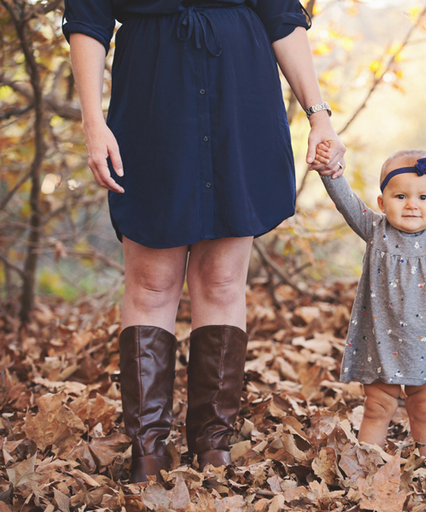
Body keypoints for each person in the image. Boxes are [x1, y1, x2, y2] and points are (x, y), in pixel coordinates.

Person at [63, 0, 345, 483]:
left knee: (222, 280)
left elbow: (281, 17)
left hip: (241, 102)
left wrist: (319, 113)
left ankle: (212, 444)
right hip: (153, 103)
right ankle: (147, 449)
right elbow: (87, 20)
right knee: (152, 282)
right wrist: (93, 121)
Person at [312, 144, 426, 460]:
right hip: (381, 342)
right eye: (400, 197)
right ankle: (365, 467)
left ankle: (425, 467)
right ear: (382, 202)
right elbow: (346, 202)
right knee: (378, 406)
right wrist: (330, 172)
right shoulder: (375, 229)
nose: (412, 205)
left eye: (423, 197)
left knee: (423, 408)